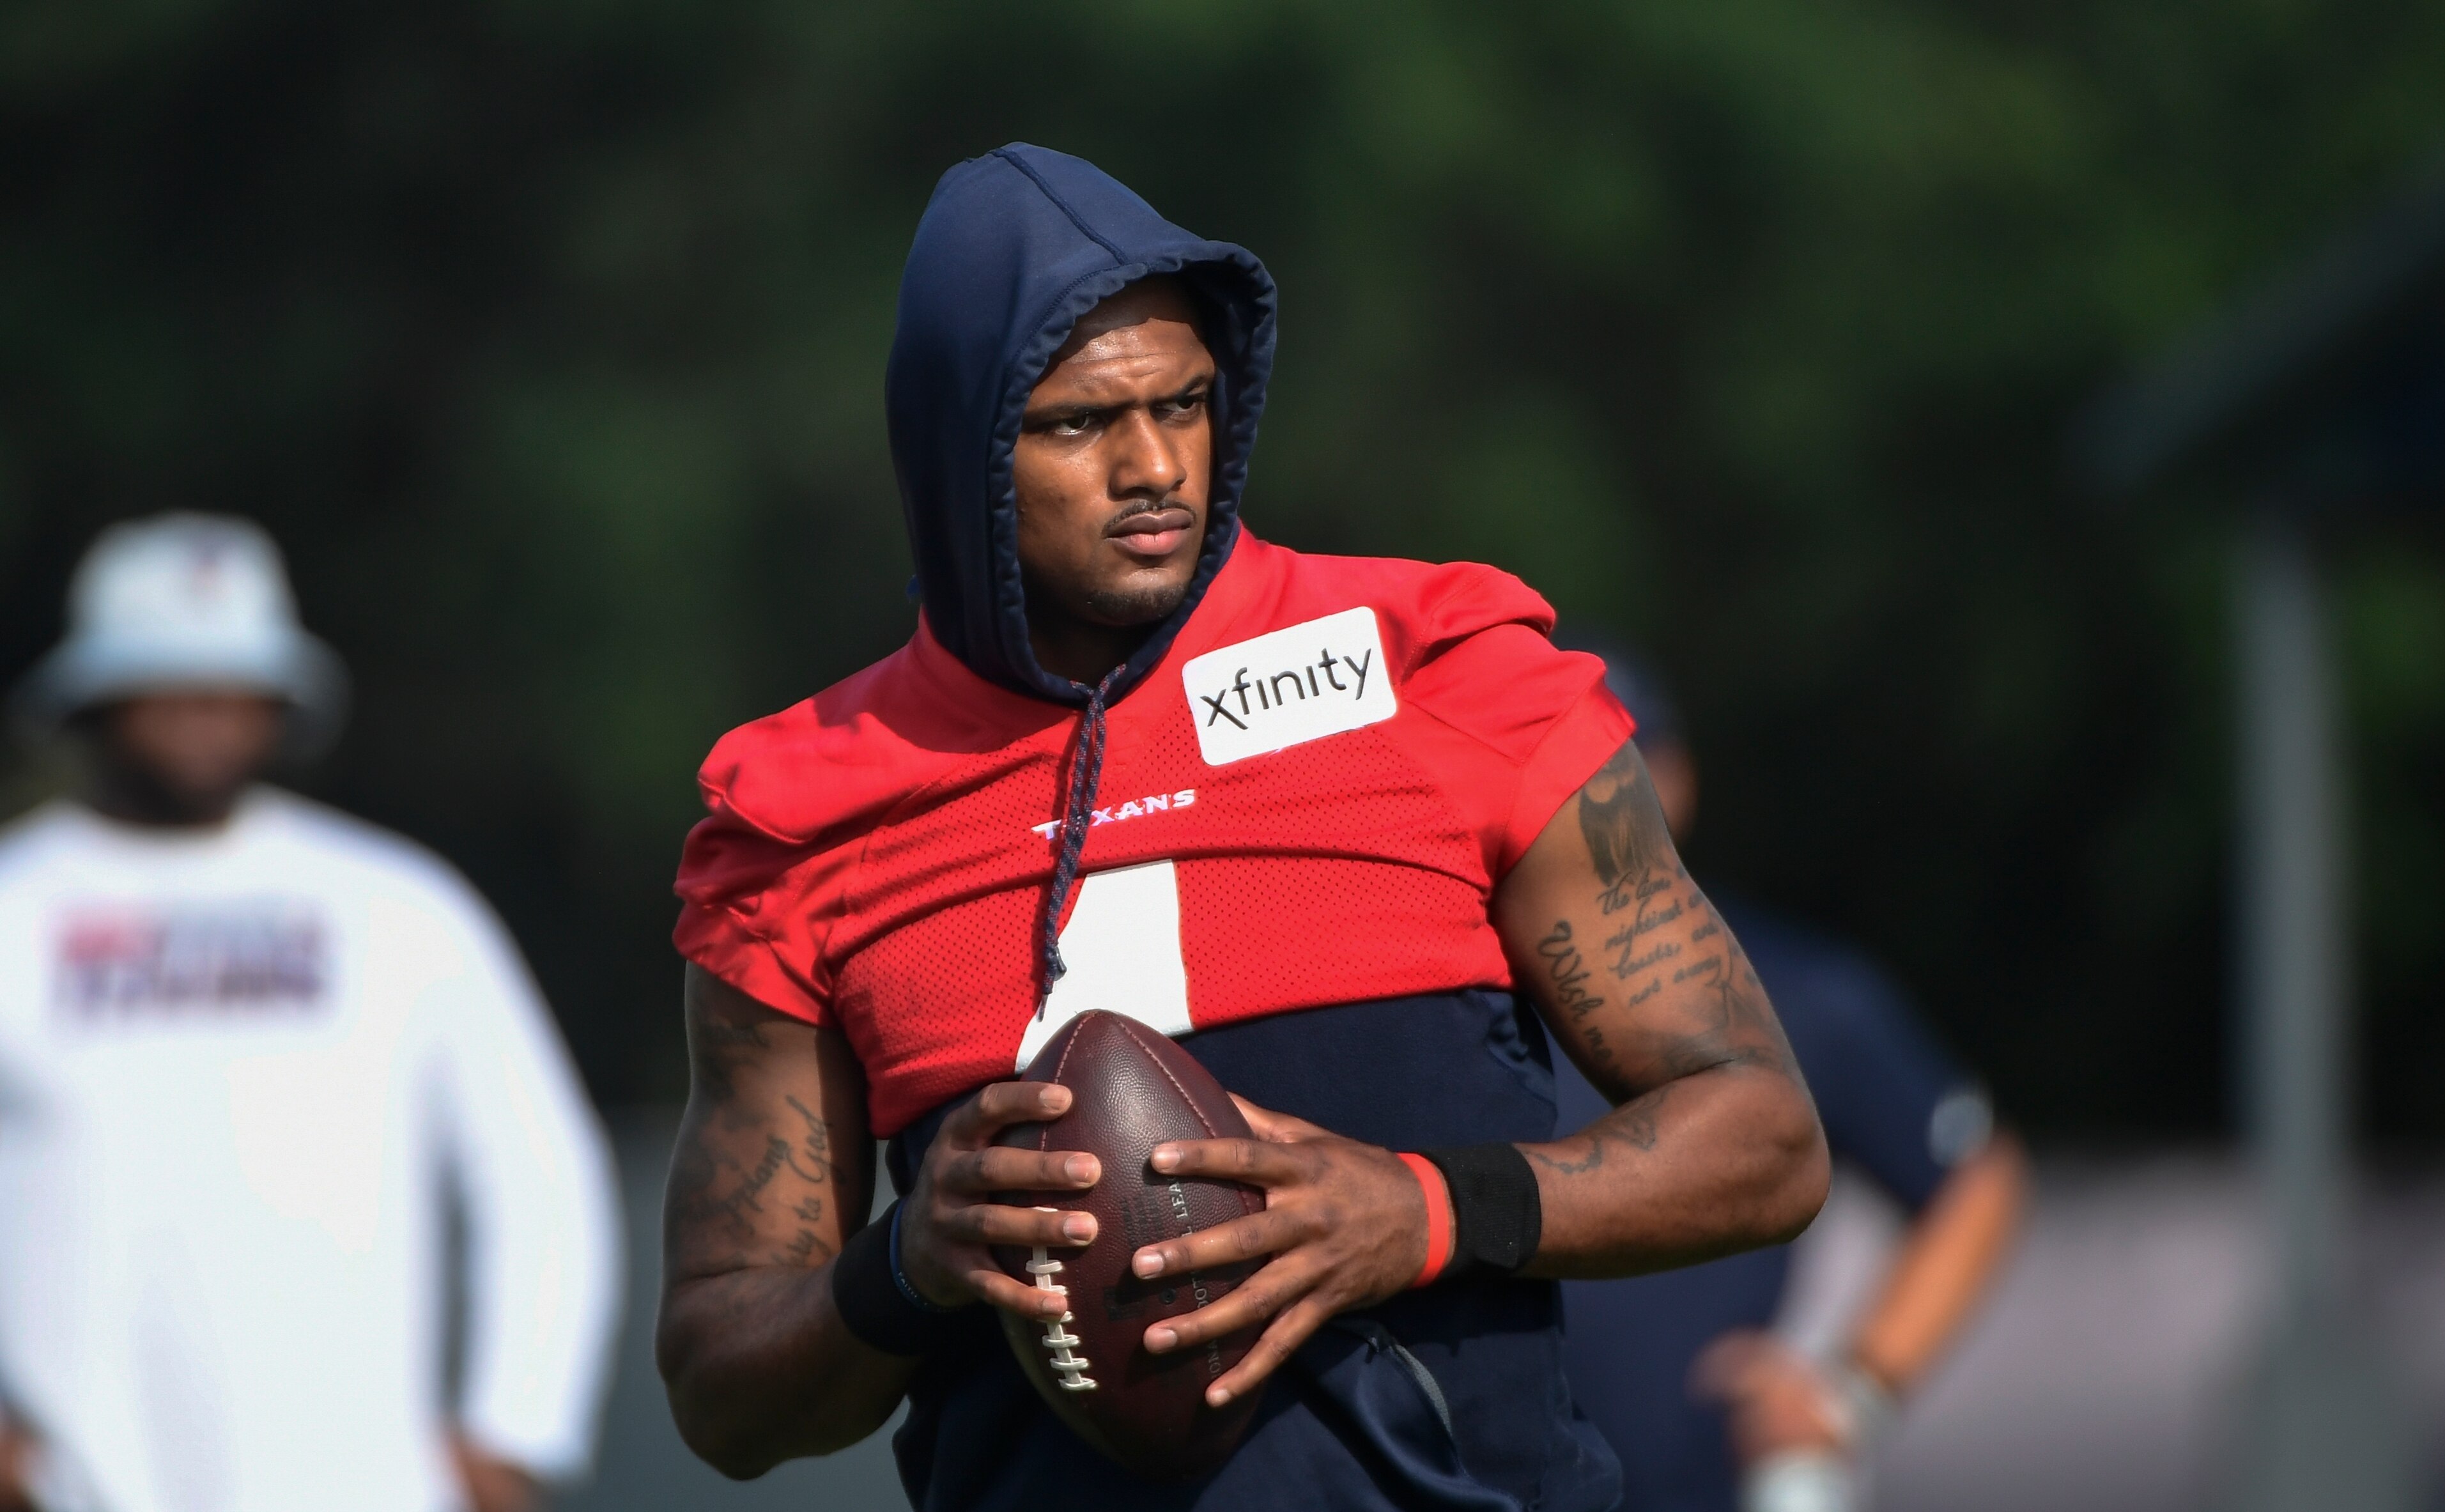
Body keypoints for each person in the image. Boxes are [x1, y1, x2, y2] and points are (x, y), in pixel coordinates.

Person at [656, 143, 1832, 1512]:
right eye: (1082, 423)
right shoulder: (807, 815)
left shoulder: (1446, 672)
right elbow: (718, 1389)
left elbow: (1763, 1135)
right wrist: (908, 1261)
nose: (1156, 466)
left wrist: (1423, 1211)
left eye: (1187, 405)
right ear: (957, 439)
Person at [0, 515, 622, 1512]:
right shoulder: (17, 905)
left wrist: (517, 1428)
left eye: (235, 681)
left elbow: (538, 1171)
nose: (208, 708)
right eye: (170, 678)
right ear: (95, 698)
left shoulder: (398, 906)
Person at [1551, 644, 2028, 1512]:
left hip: (1718, 1485)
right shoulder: (1450, 994)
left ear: (1676, 777)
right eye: (1557, 760)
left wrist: (1854, 1389)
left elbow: (1975, 1178)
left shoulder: (1795, 992)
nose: (1591, 791)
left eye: (1620, 761)